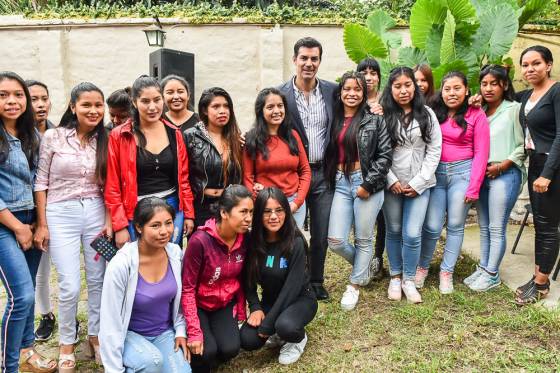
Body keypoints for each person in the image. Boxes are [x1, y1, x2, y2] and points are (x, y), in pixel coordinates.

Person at [33, 82, 110, 372]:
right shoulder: (54, 137)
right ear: (73, 106)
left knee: (98, 279)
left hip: (95, 212)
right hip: (59, 214)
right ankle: (67, 342)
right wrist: (42, 223)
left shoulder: (107, 139)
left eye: (98, 105)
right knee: (68, 284)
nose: (93, 110)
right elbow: (40, 182)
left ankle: (96, 335)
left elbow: (110, 185)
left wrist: (108, 222)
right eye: (87, 105)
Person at [0, 71, 56, 373]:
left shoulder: (33, 134)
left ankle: (26, 351)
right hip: (5, 224)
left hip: (33, 220)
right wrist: (19, 227)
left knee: (29, 291)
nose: (12, 101)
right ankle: (9, 366)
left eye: (17, 94)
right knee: (20, 296)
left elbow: (40, 182)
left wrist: (40, 224)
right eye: (3, 95)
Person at [99, 198, 191, 373]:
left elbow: (180, 302)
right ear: (139, 227)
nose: (164, 231)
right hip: (129, 335)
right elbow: (110, 321)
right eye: (155, 225)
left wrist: (180, 331)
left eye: (168, 223)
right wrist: (113, 369)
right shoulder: (121, 264)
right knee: (152, 362)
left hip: (164, 333)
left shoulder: (175, 254)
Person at [325, 71, 392, 310]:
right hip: (341, 182)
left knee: (364, 238)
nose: (352, 94)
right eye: (347, 89)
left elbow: (385, 156)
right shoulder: (332, 118)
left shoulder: (375, 119)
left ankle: (354, 285)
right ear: (340, 92)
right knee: (335, 240)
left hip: (366, 182)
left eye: (357, 90)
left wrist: (368, 184)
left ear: (364, 93)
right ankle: (365, 268)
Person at [417, 71, 490, 294]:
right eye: (447, 88)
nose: (452, 93)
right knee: (431, 225)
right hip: (436, 174)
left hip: (463, 173)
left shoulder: (476, 114)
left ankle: (446, 272)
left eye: (457, 88)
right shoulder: (434, 111)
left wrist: (474, 186)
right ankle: (422, 267)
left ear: (467, 90)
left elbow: (481, 153)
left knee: (456, 225)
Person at [105, 76, 195, 249]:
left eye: (157, 100)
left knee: (169, 261)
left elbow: (183, 179)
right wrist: (119, 225)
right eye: (145, 101)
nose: (152, 107)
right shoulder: (120, 135)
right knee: (139, 265)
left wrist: (189, 214)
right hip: (135, 212)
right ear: (134, 102)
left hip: (171, 210)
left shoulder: (174, 133)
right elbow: (113, 185)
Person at [278, 37, 338, 300]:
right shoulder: (280, 94)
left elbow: (354, 111)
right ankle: (295, 281)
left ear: (319, 62)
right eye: (304, 58)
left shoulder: (333, 91)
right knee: (293, 232)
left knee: (321, 232)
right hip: (295, 174)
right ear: (295, 60)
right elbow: (265, 122)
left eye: (314, 59)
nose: (309, 63)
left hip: (324, 173)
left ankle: (316, 280)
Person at [380, 67, 442, 303]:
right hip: (391, 184)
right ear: (391, 89)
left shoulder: (427, 114)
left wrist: (418, 182)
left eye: (408, 85)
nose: (404, 90)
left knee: (413, 233)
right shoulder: (383, 115)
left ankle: (409, 279)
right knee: (393, 230)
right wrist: (392, 180)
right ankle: (395, 276)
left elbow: (434, 150)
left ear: (415, 87)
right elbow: (378, 152)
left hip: (420, 185)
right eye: (398, 86)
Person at [463, 65, 525, 292]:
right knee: (484, 226)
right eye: (484, 83)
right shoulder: (478, 111)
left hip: (504, 174)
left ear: (505, 85)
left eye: (494, 83)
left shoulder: (514, 109)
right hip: (482, 175)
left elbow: (523, 145)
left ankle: (492, 274)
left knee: (497, 227)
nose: (488, 88)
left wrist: (503, 165)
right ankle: (484, 267)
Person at [241, 187, 317, 364]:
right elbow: (248, 280)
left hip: (300, 300)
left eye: (279, 210)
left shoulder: (296, 242)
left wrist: (269, 323)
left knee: (286, 326)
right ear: (258, 214)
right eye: (267, 212)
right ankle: (278, 329)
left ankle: (297, 338)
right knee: (248, 340)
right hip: (270, 301)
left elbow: (291, 289)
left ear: (286, 211)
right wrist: (255, 307)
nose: (273, 216)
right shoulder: (253, 241)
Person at [181, 185, 253, 373]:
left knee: (231, 349)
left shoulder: (245, 238)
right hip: (199, 305)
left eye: (251, 212)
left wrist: (241, 310)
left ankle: (209, 356)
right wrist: (195, 331)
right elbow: (187, 289)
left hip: (224, 304)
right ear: (224, 213)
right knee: (206, 351)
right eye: (243, 211)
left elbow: (243, 278)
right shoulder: (200, 241)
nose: (249, 218)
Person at [514, 45, 560, 305]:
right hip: (535, 163)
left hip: (552, 167)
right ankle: (536, 276)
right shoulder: (527, 96)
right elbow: (504, 95)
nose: (530, 69)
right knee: (540, 224)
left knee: (548, 226)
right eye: (526, 65)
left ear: (549, 65)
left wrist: (548, 173)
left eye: (536, 64)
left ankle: (542, 284)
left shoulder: (556, 92)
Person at [243, 88, 311, 228]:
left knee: (292, 246)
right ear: (261, 111)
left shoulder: (293, 136)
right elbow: (247, 176)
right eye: (270, 107)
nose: (276, 111)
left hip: (294, 203)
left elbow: (305, 171)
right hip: (266, 206)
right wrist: (259, 200)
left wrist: (297, 202)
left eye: (280, 106)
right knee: (268, 247)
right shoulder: (251, 139)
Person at [184, 87, 243, 229]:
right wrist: (188, 214)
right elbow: (183, 178)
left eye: (226, 106)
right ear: (205, 110)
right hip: (201, 206)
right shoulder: (191, 136)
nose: (222, 111)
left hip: (229, 205)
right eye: (216, 106)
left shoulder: (236, 138)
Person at [25, 79, 56, 342]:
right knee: (39, 272)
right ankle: (46, 315)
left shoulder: (59, 132)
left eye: (44, 98)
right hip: (33, 216)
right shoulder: (18, 138)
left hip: (61, 211)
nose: (40, 104)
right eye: (34, 99)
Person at [357, 57, 387, 281]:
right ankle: (362, 260)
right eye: (364, 72)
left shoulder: (387, 100)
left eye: (373, 72)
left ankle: (378, 257)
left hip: (386, 166)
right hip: (362, 169)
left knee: (384, 218)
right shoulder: (352, 100)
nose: (369, 77)